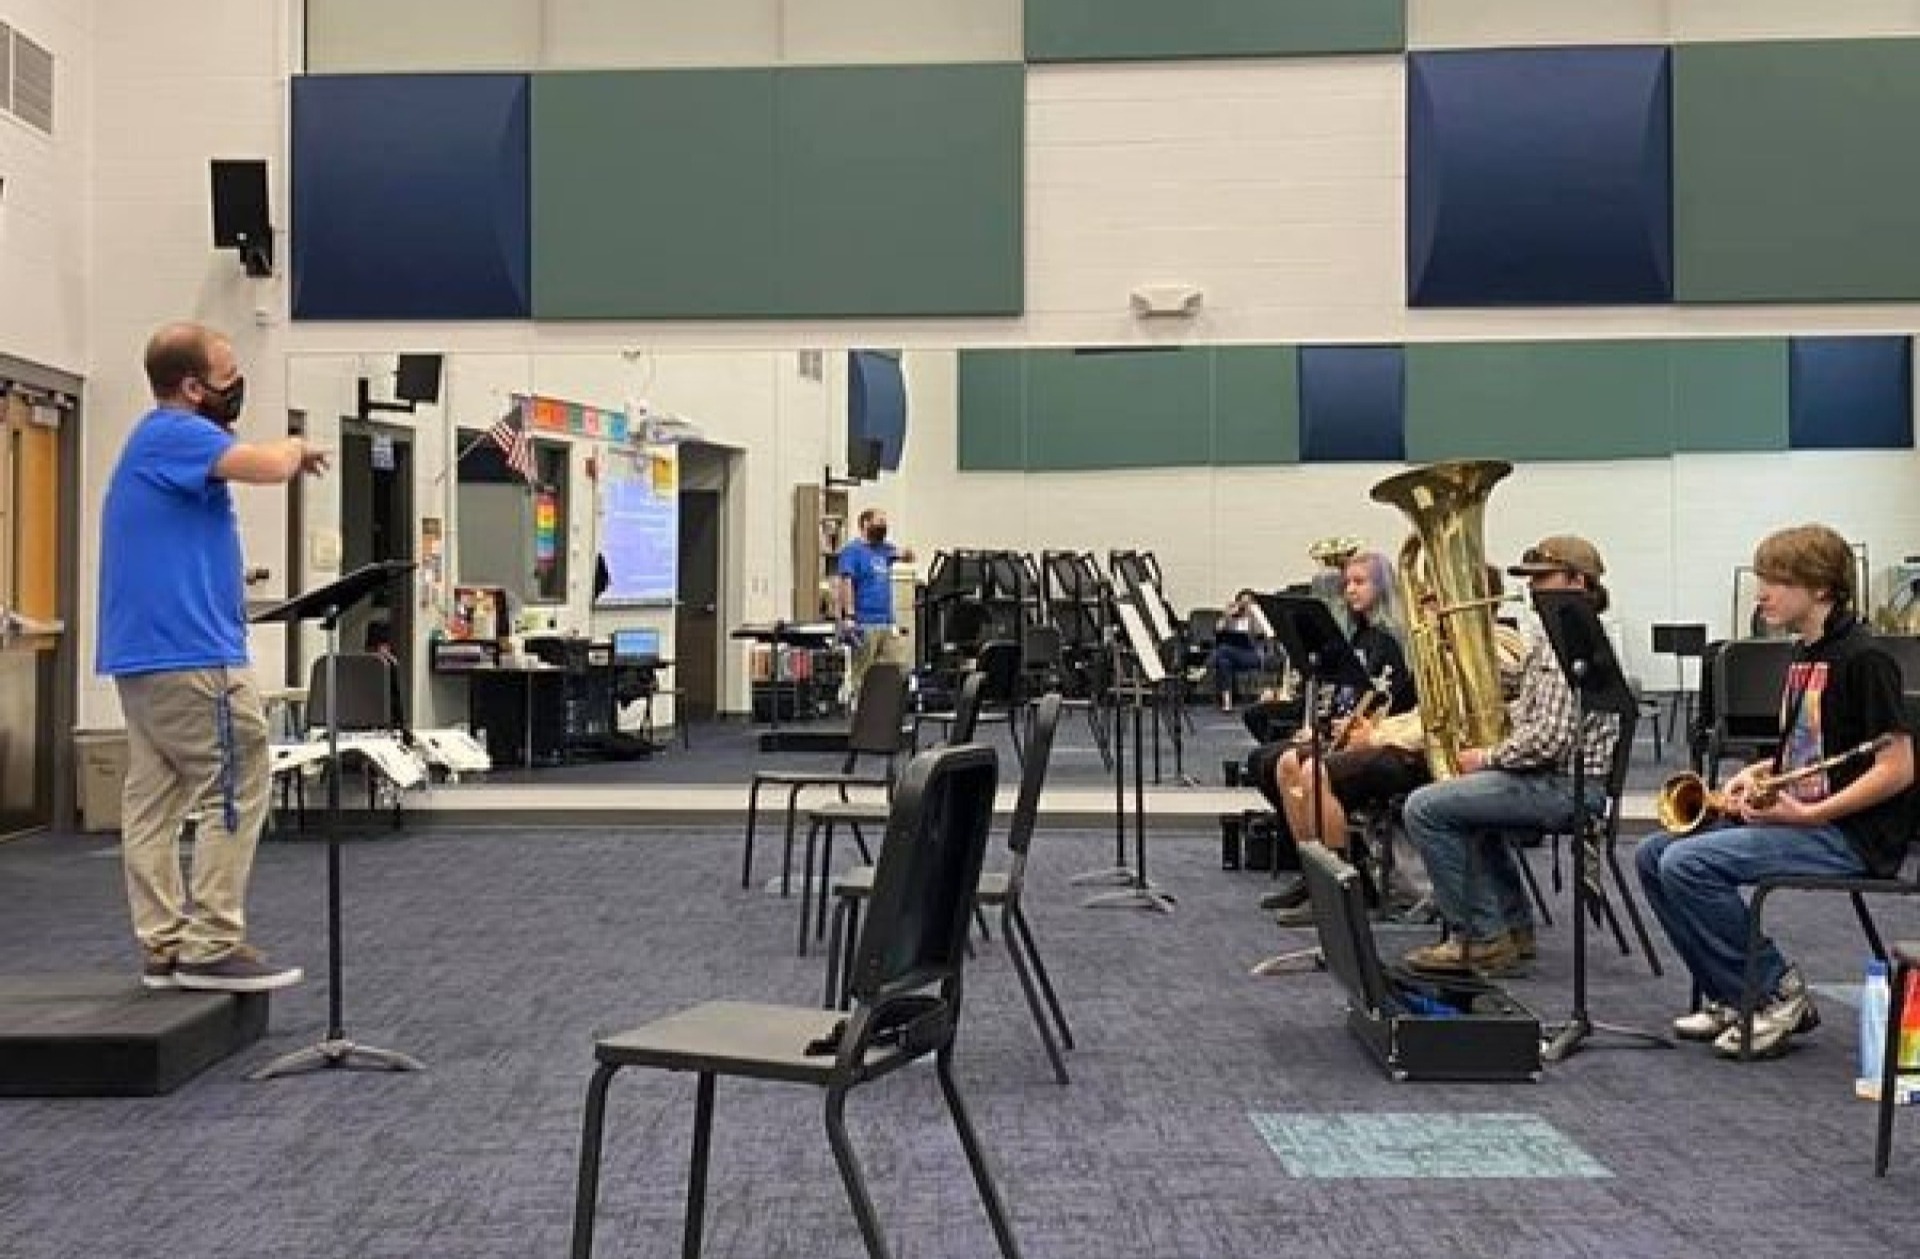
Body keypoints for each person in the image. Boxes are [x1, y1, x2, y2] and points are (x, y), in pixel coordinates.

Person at [98, 322, 328, 993]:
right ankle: (211, 941)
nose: (236, 385)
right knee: (239, 772)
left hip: (145, 658)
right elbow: (265, 467)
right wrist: (293, 444)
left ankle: (164, 944)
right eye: (228, 374)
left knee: (156, 797)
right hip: (191, 656)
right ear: (192, 386)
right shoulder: (177, 431)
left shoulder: (155, 444)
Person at [1636, 525, 1915, 1058]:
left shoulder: (1863, 658)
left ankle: (1777, 992)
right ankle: (1732, 993)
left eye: (1778, 580)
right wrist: (1759, 772)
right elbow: (1812, 748)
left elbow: (1898, 766)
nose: (1762, 591)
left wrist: (1812, 816)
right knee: (1653, 854)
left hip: (1848, 834)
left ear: (1821, 589)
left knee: (1688, 865)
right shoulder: (1804, 653)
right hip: (1804, 815)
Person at [1401, 535, 1620, 977]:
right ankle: (1511, 928)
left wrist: (1488, 757)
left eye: (1543, 579)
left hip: (1566, 786)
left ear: (1578, 581)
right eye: (1530, 580)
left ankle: (1481, 936)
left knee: (1425, 808)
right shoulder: (1560, 638)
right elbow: (1520, 695)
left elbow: (1552, 738)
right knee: (1462, 807)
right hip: (1557, 779)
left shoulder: (1573, 645)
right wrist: (1451, 645)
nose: (1531, 590)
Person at [1252, 550, 1421, 919]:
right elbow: (1344, 693)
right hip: (1355, 734)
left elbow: (1394, 702)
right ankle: (1315, 874)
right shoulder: (1358, 637)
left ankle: (1344, 883)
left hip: (1391, 744)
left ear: (1383, 587)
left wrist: (1367, 729)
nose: (1350, 590)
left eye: (1360, 582)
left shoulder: (1394, 642)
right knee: (1284, 763)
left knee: (1312, 771)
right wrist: (1323, 726)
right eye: (1346, 583)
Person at [836, 507, 915, 698]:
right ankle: (856, 712)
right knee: (862, 672)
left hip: (887, 622)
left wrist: (904, 553)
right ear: (865, 524)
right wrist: (849, 616)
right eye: (879, 522)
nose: (883, 526)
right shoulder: (852, 552)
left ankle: (886, 712)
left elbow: (908, 556)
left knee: (895, 668)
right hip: (865, 621)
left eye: (884, 523)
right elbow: (847, 584)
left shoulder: (884, 550)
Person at [1210, 589, 1271, 711]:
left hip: (1252, 655)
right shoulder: (1231, 618)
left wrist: (1254, 613)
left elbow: (1264, 633)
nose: (1245, 606)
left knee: (1222, 651)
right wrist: (1226, 615)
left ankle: (1205, 666)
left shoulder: (1256, 617)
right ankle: (1227, 702)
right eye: (1242, 603)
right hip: (1233, 656)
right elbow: (1217, 630)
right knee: (1223, 661)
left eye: (1248, 603)